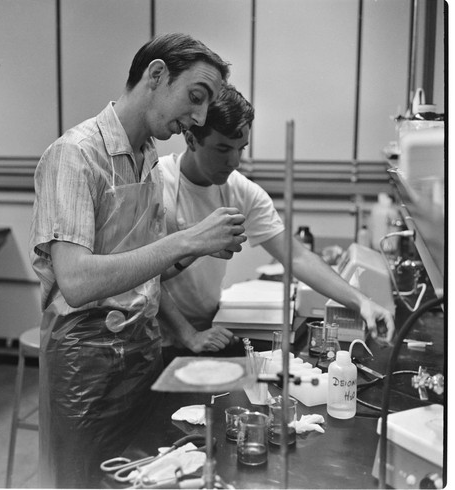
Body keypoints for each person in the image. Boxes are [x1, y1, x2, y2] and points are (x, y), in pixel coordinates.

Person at [29, 33, 248, 489]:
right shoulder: (75, 156)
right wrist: (185, 240)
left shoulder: (147, 156)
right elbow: (77, 281)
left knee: (140, 477)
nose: (200, 117)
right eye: (195, 97)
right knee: (84, 479)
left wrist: (197, 248)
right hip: (84, 366)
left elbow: (142, 269)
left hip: (140, 352)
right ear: (155, 75)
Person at [157, 84, 395, 361]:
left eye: (241, 148)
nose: (234, 161)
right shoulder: (158, 184)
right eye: (222, 148)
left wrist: (363, 303)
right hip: (159, 339)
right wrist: (187, 335)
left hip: (210, 331)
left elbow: (298, 257)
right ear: (190, 138)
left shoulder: (240, 190)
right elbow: (144, 278)